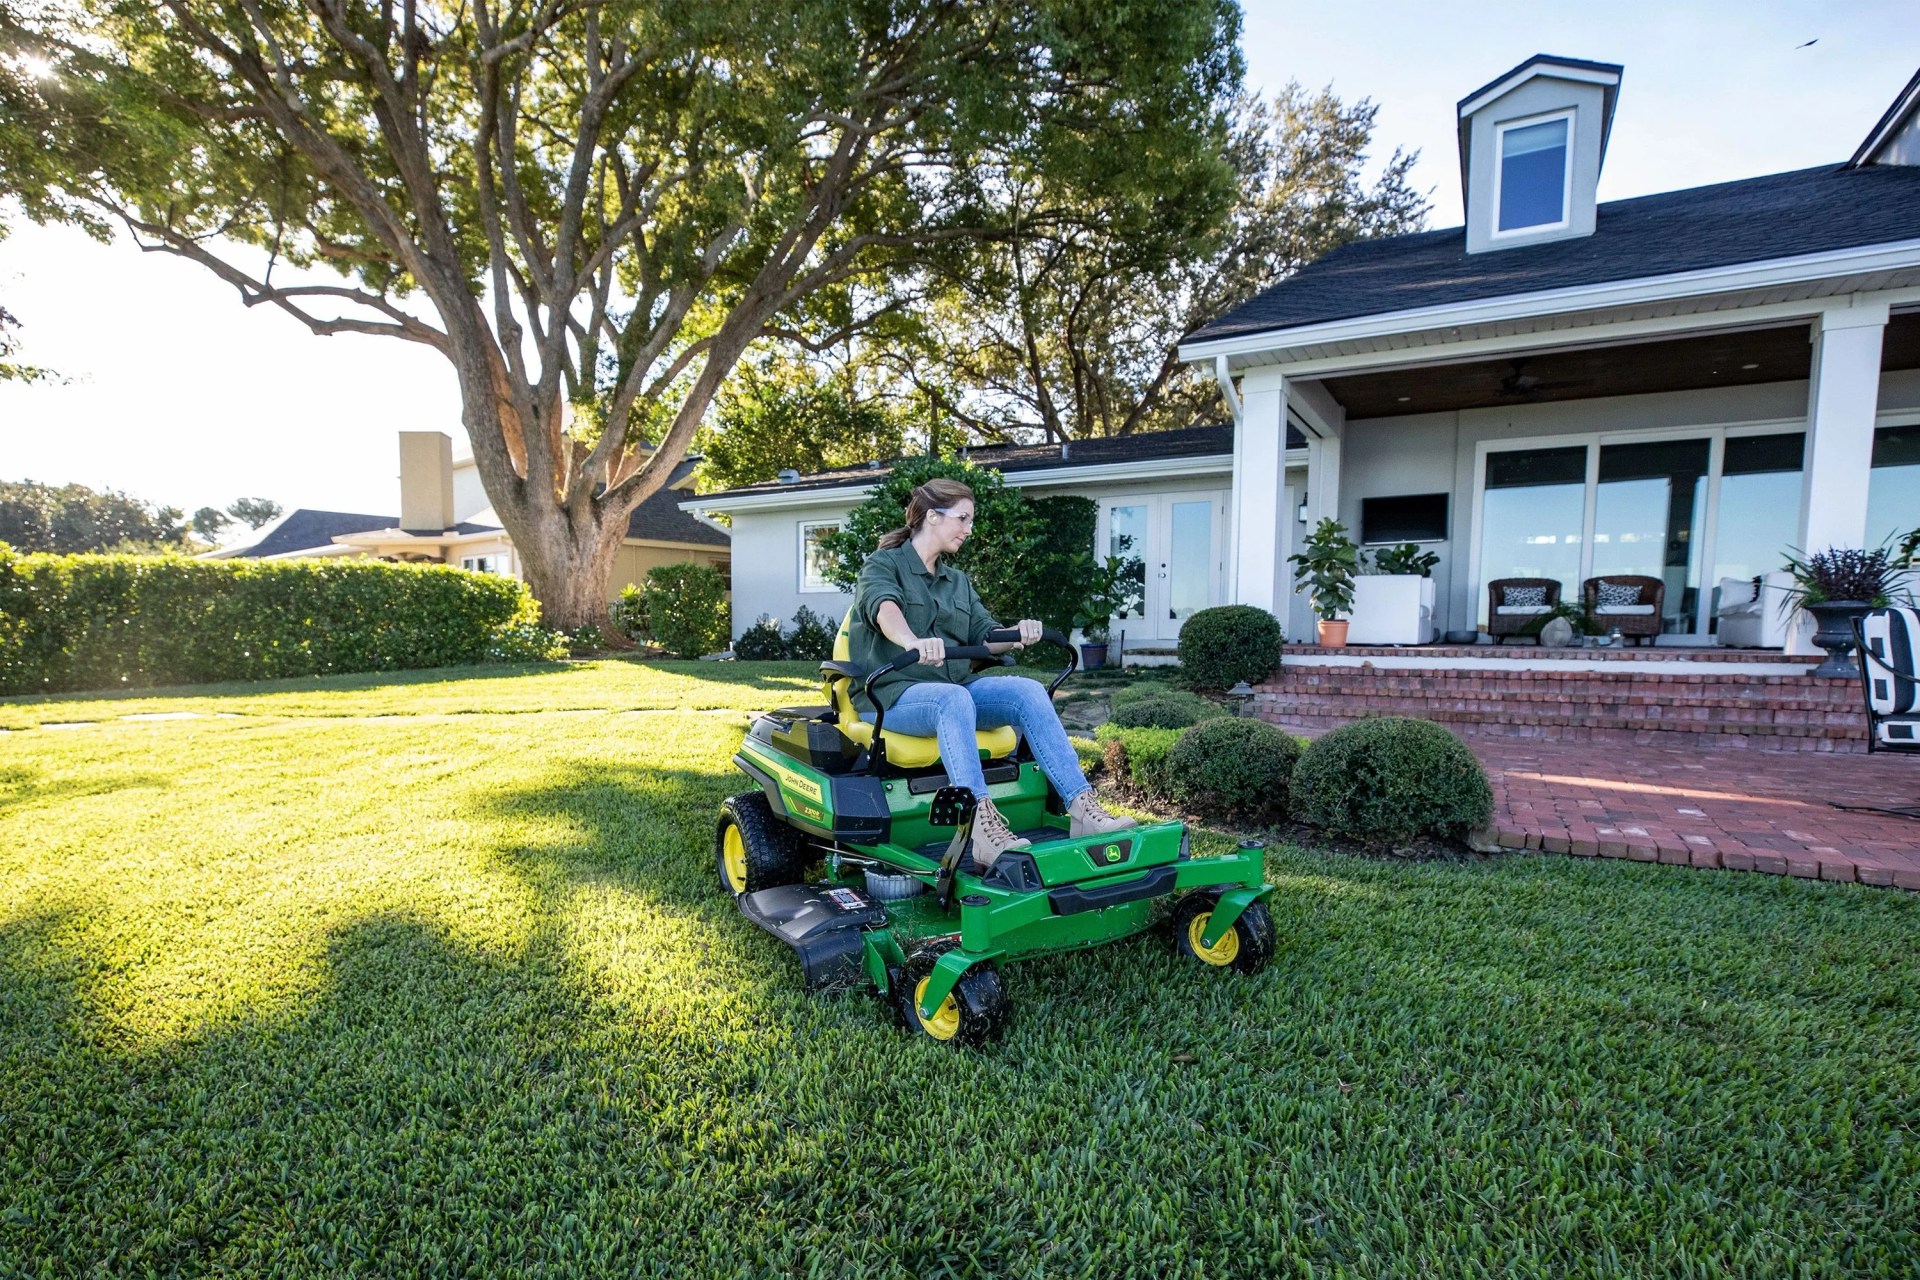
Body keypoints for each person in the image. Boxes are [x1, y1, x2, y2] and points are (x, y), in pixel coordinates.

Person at [849, 477, 1135, 868]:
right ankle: (981, 830)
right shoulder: (884, 564)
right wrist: (912, 642)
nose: (969, 529)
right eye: (963, 519)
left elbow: (985, 634)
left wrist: (1017, 634)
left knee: (1028, 691)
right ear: (932, 516)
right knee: (953, 700)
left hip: (954, 689)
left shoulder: (957, 582)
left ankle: (1084, 810)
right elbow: (884, 609)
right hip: (892, 695)